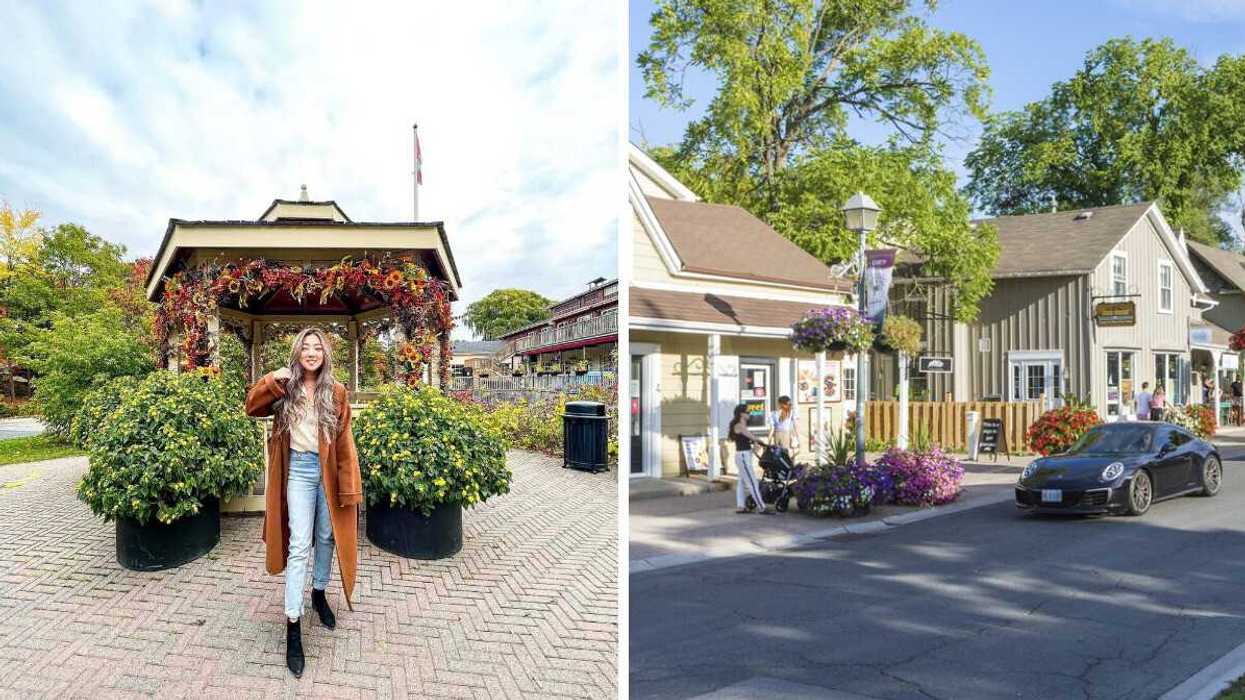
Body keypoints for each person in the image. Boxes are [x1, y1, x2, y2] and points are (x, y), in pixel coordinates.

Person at [245, 328, 364, 678]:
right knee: (299, 544)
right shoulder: (284, 387)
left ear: (325, 354)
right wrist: (271, 378)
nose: (312, 353)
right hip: (297, 470)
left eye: (318, 348)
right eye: (305, 348)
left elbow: (344, 443)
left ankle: (319, 592)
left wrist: (348, 487)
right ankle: (293, 624)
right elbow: (252, 406)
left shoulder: (336, 391)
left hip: (327, 472)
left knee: (327, 537)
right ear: (297, 353)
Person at [729, 403, 768, 514]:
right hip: (742, 456)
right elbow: (751, 436)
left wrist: (756, 447)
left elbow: (749, 442)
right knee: (752, 482)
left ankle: (741, 506)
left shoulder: (743, 426)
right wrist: (759, 441)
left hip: (745, 455)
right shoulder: (739, 426)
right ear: (741, 414)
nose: (749, 414)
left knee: (741, 482)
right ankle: (762, 507)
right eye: (747, 412)